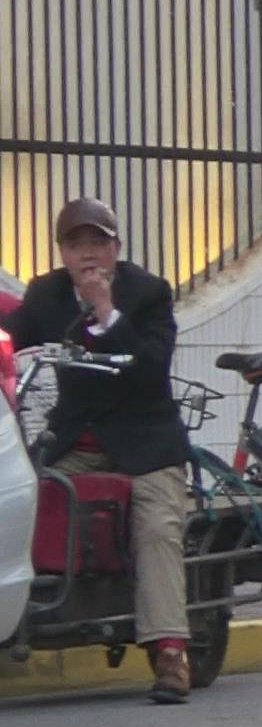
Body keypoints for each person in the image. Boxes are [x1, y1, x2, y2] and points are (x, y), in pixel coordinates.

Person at [11, 196, 194, 699]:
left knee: (157, 527)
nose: (88, 254)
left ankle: (170, 653)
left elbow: (151, 366)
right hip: (73, 440)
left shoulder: (148, 292)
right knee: (17, 502)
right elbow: (13, 340)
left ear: (116, 248)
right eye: (76, 246)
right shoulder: (45, 294)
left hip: (144, 443)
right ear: (62, 253)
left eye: (98, 243)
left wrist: (107, 312)